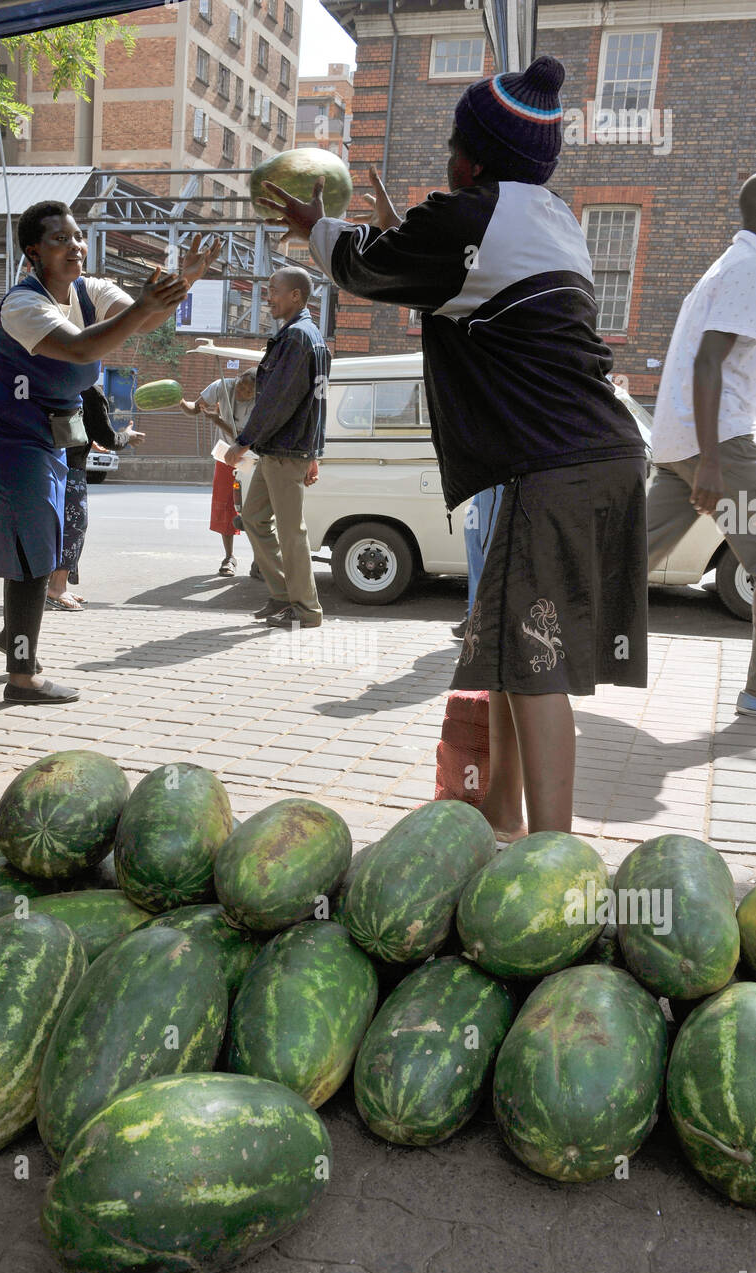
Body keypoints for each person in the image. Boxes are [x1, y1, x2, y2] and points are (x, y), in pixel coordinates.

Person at [258, 56, 648, 836]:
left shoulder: (468, 216)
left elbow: (366, 270)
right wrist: (394, 233)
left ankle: (552, 857)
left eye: (450, 140)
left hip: (555, 463)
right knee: (504, 649)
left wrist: (318, 229)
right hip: (594, 454)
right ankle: (499, 822)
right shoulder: (551, 219)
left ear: (469, 154)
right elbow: (454, 277)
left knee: (534, 665)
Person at [0, 201, 220, 703]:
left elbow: (141, 324)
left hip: (47, 437)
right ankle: (21, 675)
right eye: (60, 239)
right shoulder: (22, 305)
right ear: (33, 252)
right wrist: (151, 302)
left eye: (78, 236)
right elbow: (80, 349)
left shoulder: (91, 289)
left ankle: (15, 636)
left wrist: (179, 285)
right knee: (34, 556)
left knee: (42, 546)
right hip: (3, 438)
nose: (75, 246)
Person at [646, 176, 756, 716]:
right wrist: (713, 461)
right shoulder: (749, 270)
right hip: (720, 447)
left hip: (679, 443)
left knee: (630, 556)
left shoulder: (728, 264)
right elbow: (708, 361)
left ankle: (540, 641)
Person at [223, 268, 330, 629]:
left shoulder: (299, 338)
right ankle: (283, 596)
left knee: (291, 532)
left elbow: (277, 401)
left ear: (297, 296)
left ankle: (305, 609)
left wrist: (243, 441)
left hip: (285, 450)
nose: (269, 297)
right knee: (252, 518)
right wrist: (314, 453)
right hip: (283, 449)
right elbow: (315, 403)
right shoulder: (305, 336)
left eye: (274, 291)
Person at [48, 382, 145, 610]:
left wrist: (89, 440)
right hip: (70, 470)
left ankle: (52, 585)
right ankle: (56, 588)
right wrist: (127, 435)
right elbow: (108, 438)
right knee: (73, 526)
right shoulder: (89, 390)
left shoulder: (53, 381)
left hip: (45, 464)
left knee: (52, 527)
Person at [180, 368, 257, 576]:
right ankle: (229, 557)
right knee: (224, 505)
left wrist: (218, 420)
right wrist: (179, 401)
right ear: (237, 379)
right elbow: (195, 408)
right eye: (241, 385)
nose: (243, 391)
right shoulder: (222, 386)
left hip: (250, 456)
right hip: (225, 455)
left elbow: (246, 436)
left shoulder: (262, 400)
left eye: (249, 391)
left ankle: (260, 560)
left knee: (255, 508)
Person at [453, 487, 503, 639]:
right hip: (485, 484)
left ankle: (485, 619)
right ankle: (476, 615)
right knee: (473, 536)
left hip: (499, 479)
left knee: (490, 546)